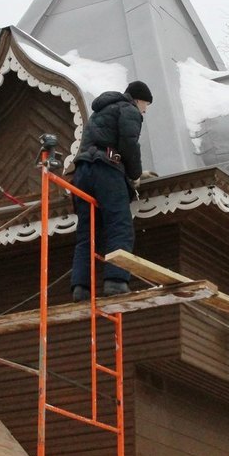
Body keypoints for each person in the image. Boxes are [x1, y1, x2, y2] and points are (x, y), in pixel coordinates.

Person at [70, 80, 152, 302]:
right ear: (138, 99)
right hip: (106, 169)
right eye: (146, 104)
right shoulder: (129, 110)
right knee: (119, 225)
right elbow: (129, 144)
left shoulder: (100, 111)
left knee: (87, 232)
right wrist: (135, 174)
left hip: (82, 172)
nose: (145, 110)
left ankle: (81, 288)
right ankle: (116, 281)